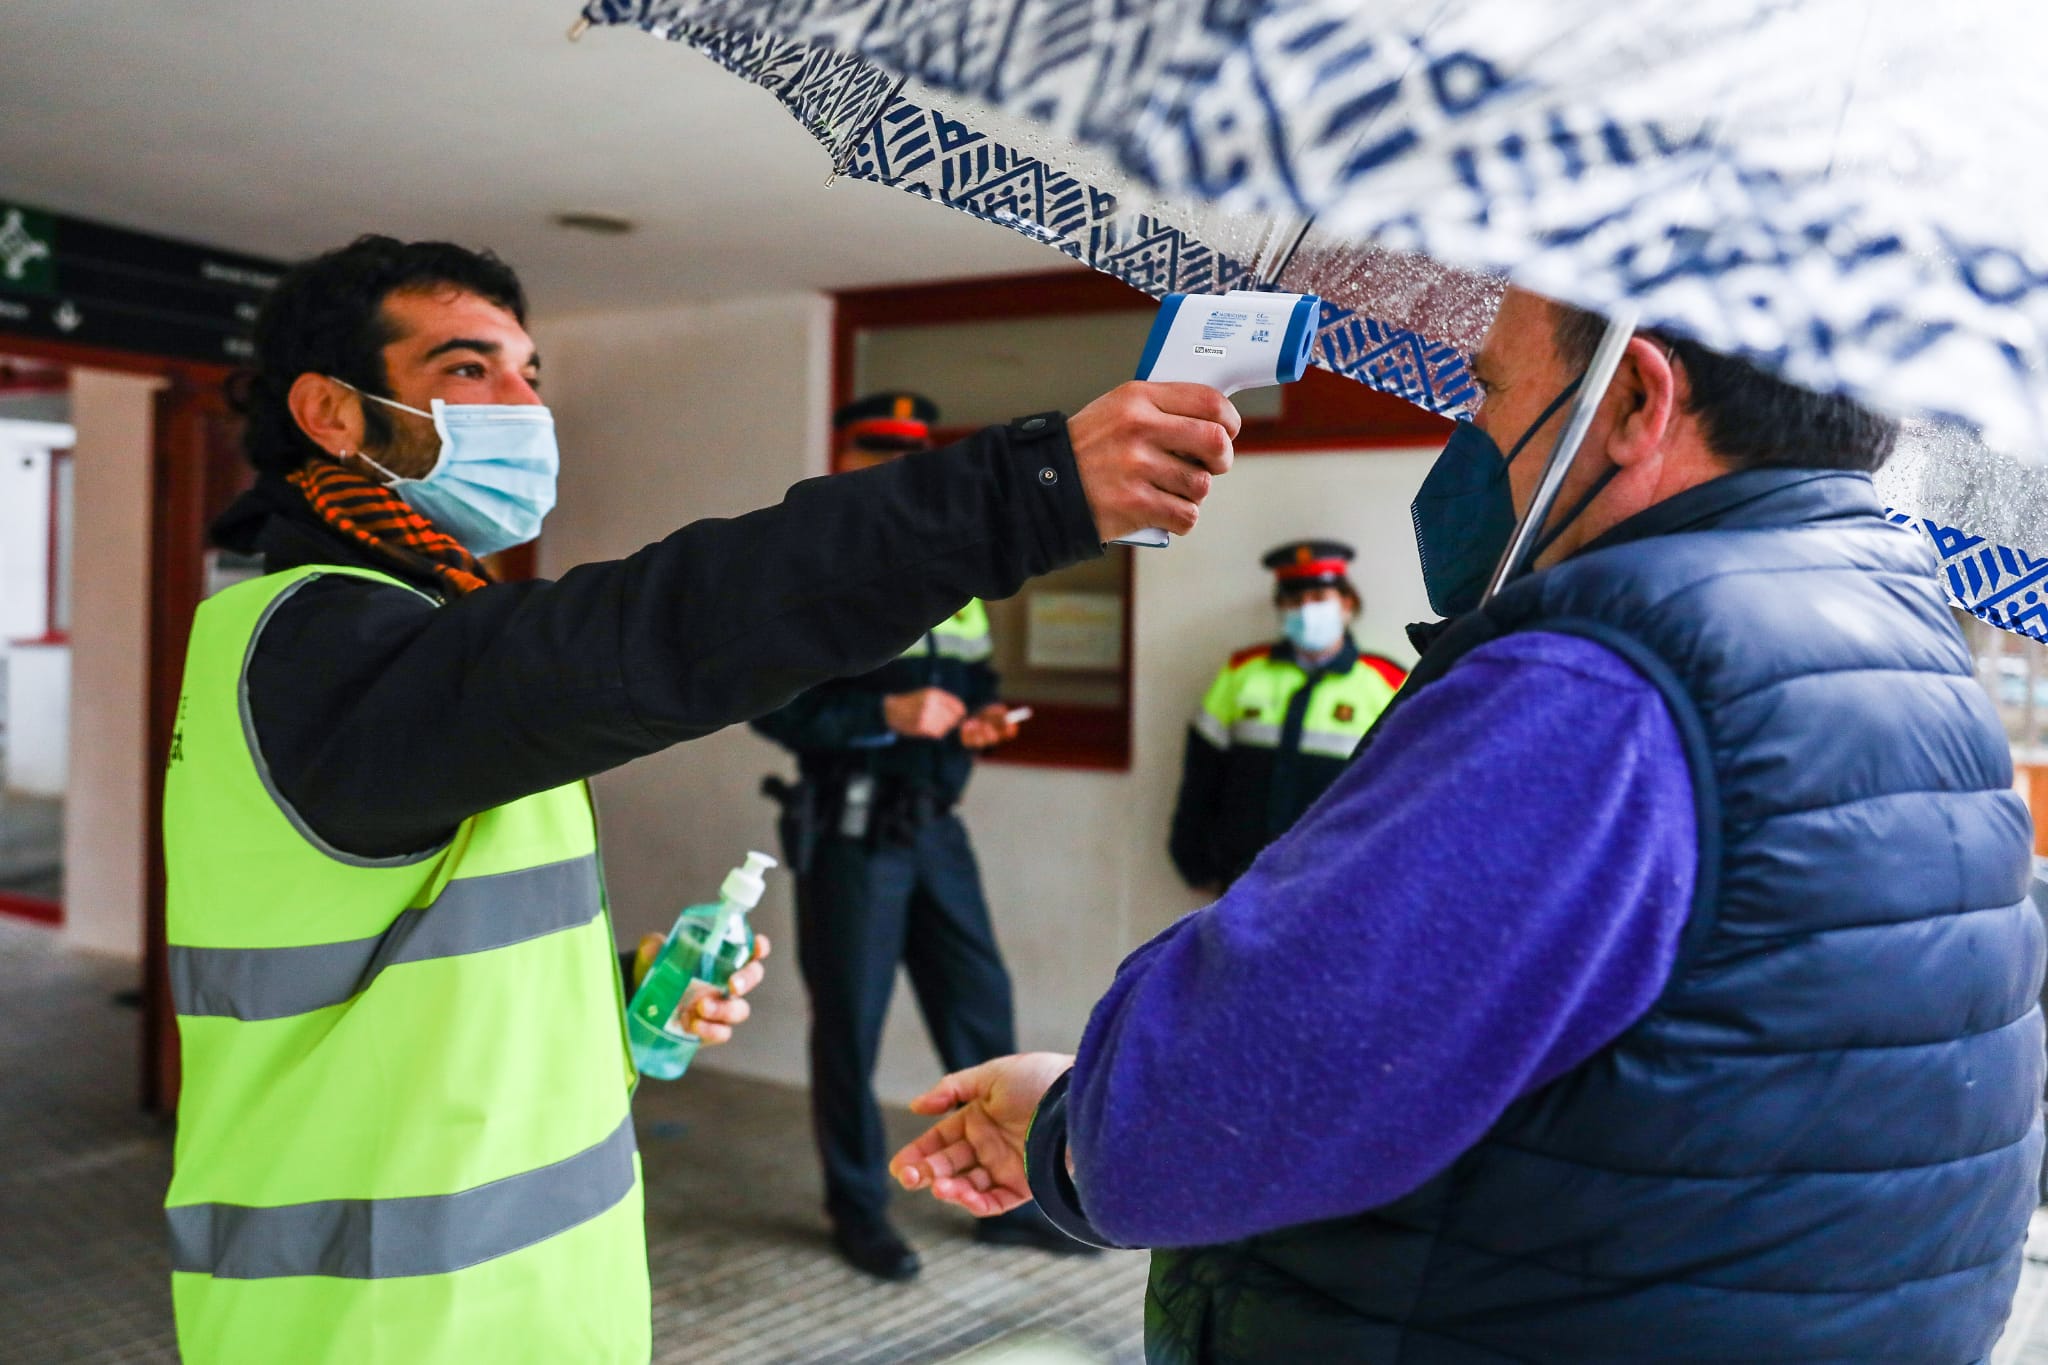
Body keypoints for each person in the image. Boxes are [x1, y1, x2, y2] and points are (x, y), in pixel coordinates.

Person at [890, 286, 2044, 1363]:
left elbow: (1200, 1108)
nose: (1470, 435)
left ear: (1635, 401)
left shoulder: (1602, 685)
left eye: (1488, 391)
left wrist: (1071, 1117)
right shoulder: (1913, 649)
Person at [161, 235, 1238, 1364]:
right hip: (367, 1329)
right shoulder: (319, 643)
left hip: (530, 1312)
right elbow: (663, 631)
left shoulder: (404, 629)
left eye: (532, 374)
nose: (523, 407)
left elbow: (390, 967)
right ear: (334, 412)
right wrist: (1025, 493)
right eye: (468, 370)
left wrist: (614, 1008)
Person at [752, 391, 1092, 1280]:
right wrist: (886, 710)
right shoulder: (810, 570)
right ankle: (858, 1207)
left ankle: (1007, 1193)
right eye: (877, 448)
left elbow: (975, 687)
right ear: (844, 453)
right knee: (851, 1025)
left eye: (907, 452)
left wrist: (976, 721)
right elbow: (770, 706)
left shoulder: (955, 574)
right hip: (851, 827)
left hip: (936, 826)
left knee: (979, 1006)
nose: (892, 465)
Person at [1167, 539, 1406, 892]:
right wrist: (1193, 858)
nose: (1307, 610)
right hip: (1242, 874)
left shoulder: (1386, 683)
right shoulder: (1242, 672)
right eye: (1295, 601)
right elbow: (1201, 774)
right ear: (1280, 608)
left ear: (1347, 603)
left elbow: (1404, 787)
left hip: (1338, 878)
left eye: (1319, 599)